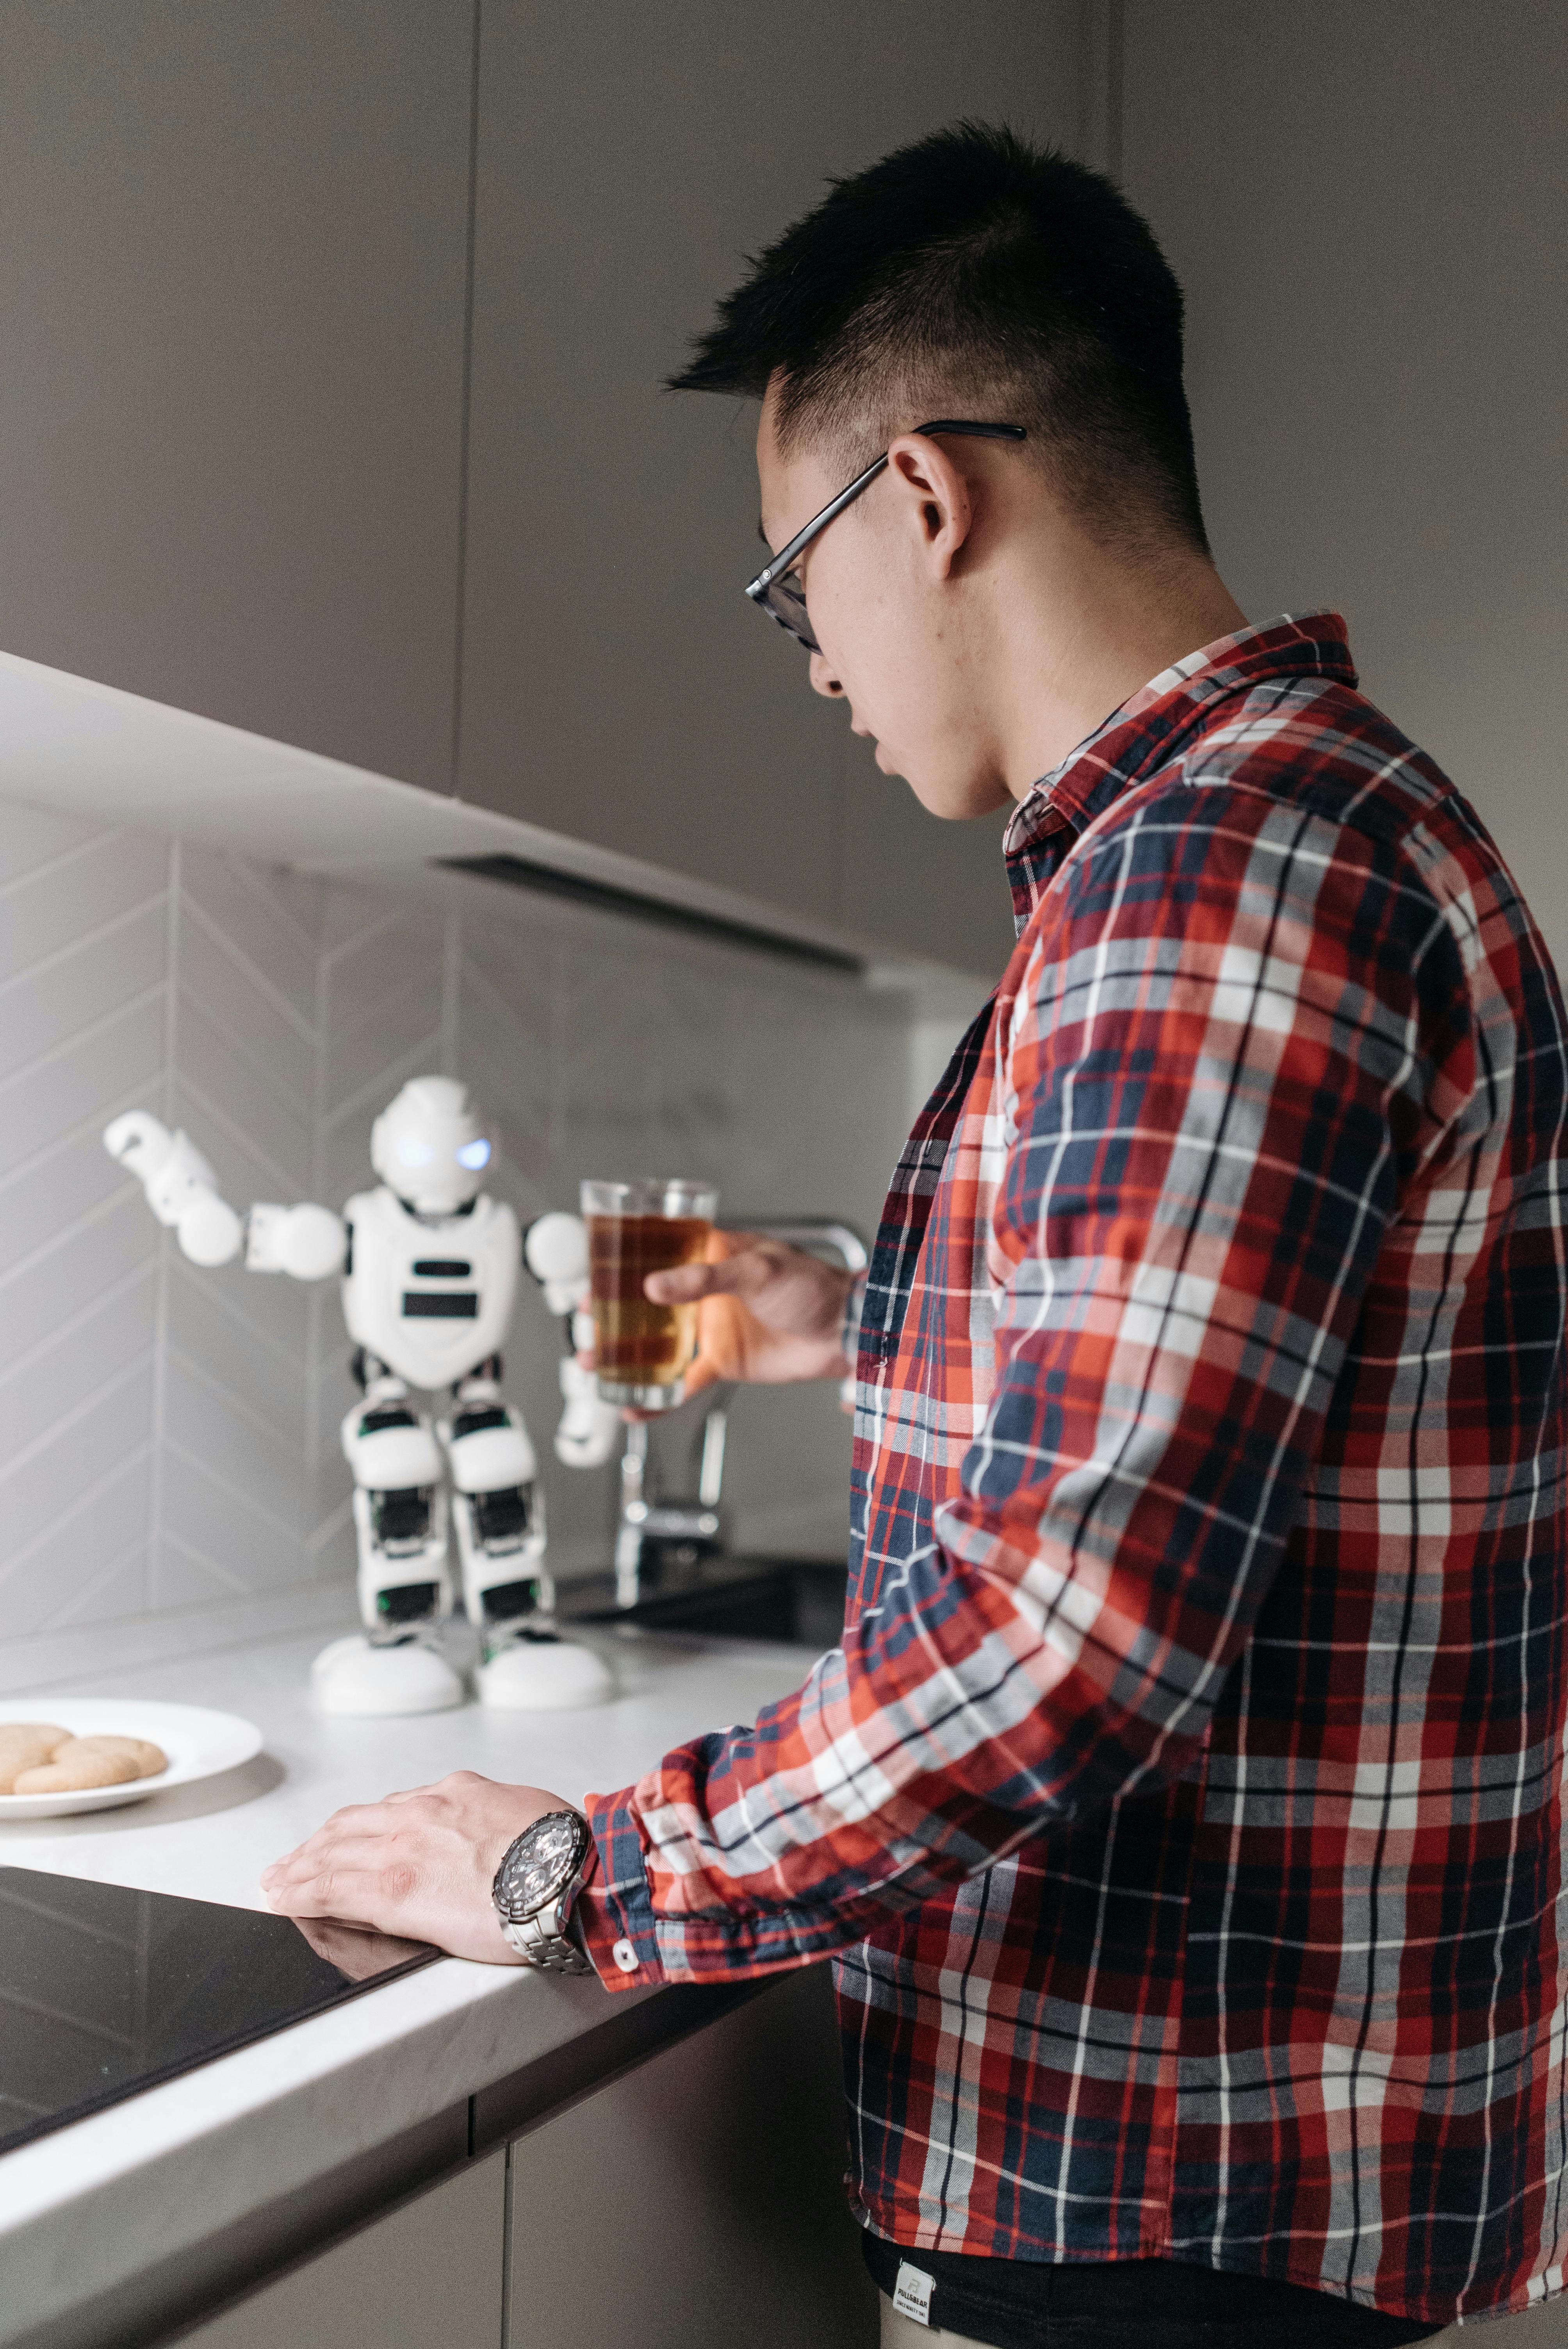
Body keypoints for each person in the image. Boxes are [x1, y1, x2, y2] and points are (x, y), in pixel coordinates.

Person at [262, 126, 1568, 2346]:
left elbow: (1058, 1633)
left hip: (1156, 2207)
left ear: (930, 499)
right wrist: (860, 1320)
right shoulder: (1270, 841)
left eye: (794, 588)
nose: (811, 664)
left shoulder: (1213, 878)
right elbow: (1234, 1393)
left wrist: (570, 1867)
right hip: (1211, 2181)